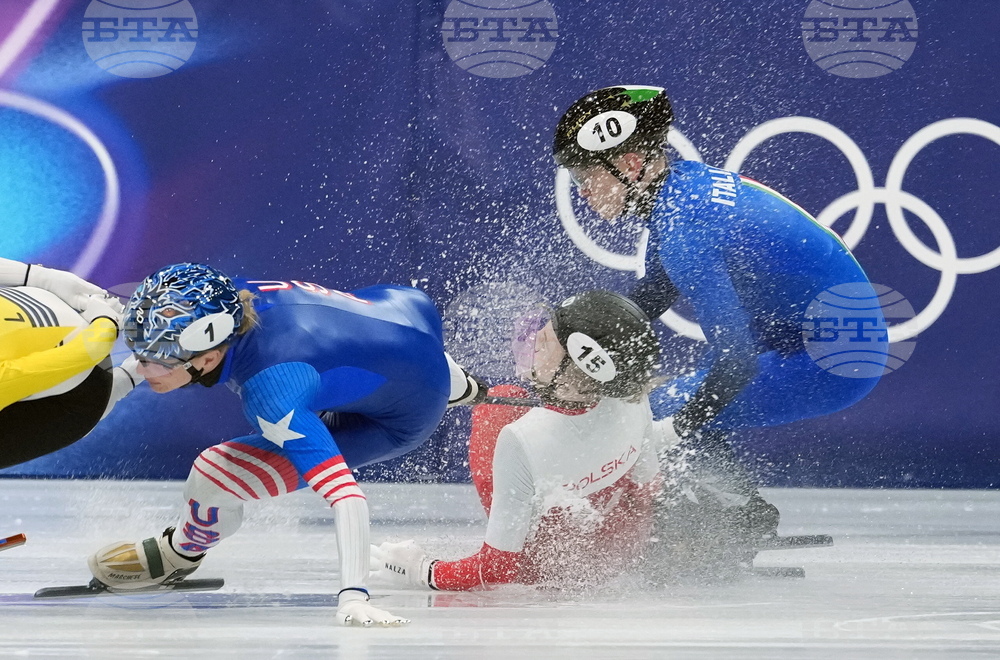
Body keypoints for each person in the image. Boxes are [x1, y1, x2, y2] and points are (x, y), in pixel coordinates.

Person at [552, 86, 888, 556]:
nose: (581, 190)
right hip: (806, 332)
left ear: (630, 165)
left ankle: (733, 520)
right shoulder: (680, 189)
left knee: (659, 408)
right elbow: (651, 295)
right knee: (663, 401)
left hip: (836, 358)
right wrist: (575, 348)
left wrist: (672, 430)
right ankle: (726, 511)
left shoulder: (685, 228)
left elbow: (738, 365)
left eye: (585, 173)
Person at [86, 263, 485, 627]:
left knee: (212, 474)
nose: (142, 365)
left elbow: (347, 497)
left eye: (154, 359)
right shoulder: (225, 297)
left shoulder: (272, 392)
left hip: (395, 419)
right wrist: (120, 383)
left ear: (207, 360)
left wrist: (353, 595)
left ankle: (180, 553)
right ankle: (459, 384)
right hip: (407, 313)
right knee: (395, 360)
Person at [371, 290, 677, 591]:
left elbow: (497, 570)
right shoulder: (630, 393)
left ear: (573, 372)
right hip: (621, 548)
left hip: (547, 566)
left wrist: (422, 570)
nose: (531, 347)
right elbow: (647, 489)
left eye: (543, 343)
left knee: (499, 402)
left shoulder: (523, 438)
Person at [0, 257, 140, 469]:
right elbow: (88, 351)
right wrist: (38, 277)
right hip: (54, 305)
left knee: (91, 389)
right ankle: (129, 377)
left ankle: (123, 382)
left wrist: (40, 277)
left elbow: (88, 352)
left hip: (82, 396)